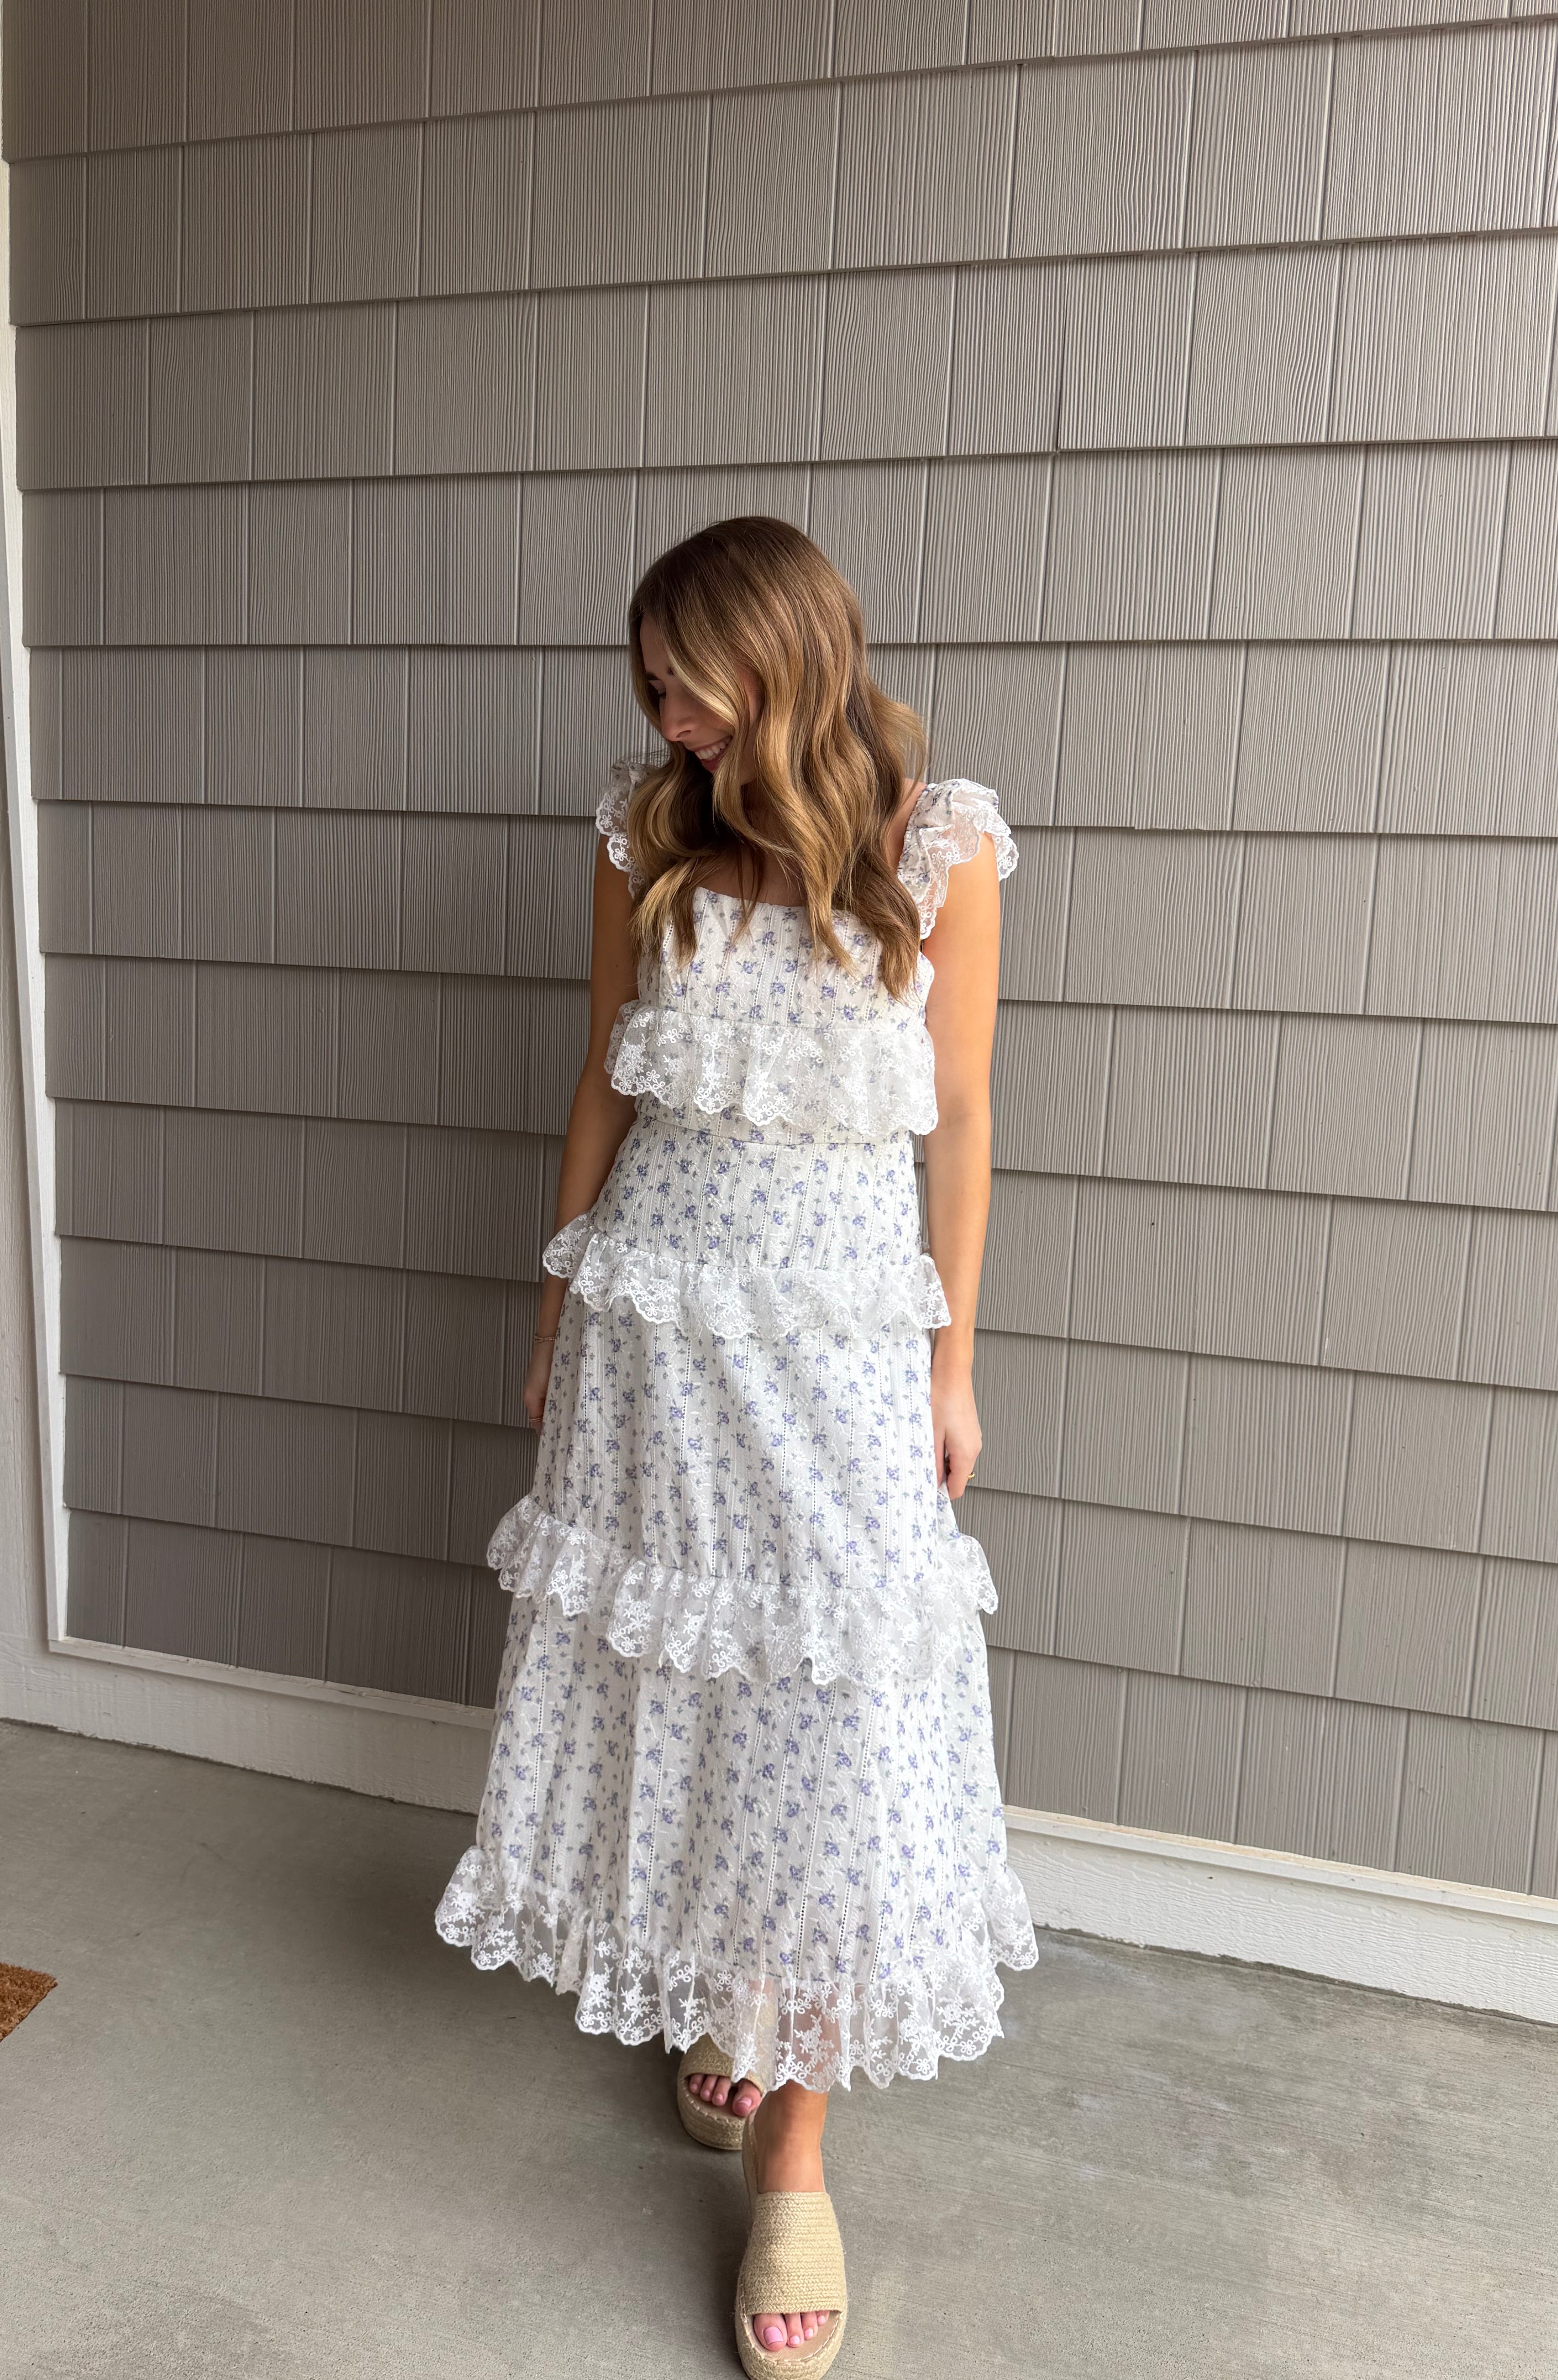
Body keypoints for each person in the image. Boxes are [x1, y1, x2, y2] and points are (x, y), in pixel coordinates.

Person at [436, 516, 1036, 2374]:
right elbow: (600, 1073)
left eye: (687, 679)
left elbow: (961, 1118)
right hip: (653, 1335)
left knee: (839, 1709)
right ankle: (734, 1994)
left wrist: (951, 1365)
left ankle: (796, 2156)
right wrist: (555, 1315)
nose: (666, 713)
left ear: (782, 655)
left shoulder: (943, 844)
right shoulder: (641, 835)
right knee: (685, 1691)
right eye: (652, 687)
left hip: (845, 1343)